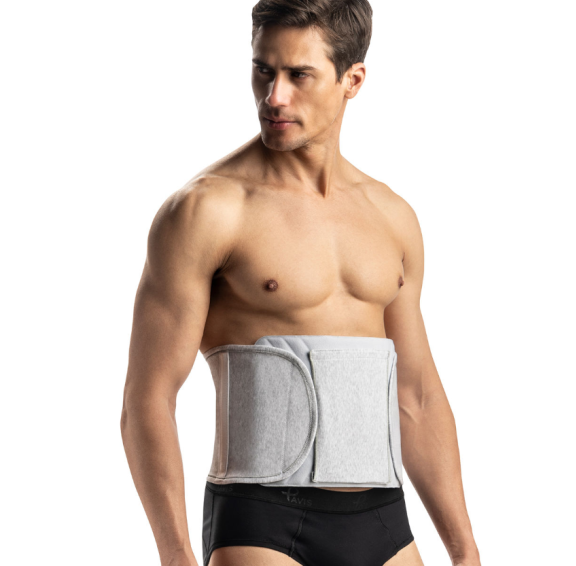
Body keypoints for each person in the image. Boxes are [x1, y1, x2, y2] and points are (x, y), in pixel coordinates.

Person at [120, 1, 481, 565]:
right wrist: (176, 555)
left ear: (352, 80)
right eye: (263, 70)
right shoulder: (208, 210)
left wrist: (465, 551)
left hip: (383, 518)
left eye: (298, 75)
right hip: (260, 520)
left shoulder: (392, 217)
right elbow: (148, 398)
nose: (274, 96)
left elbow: (416, 396)